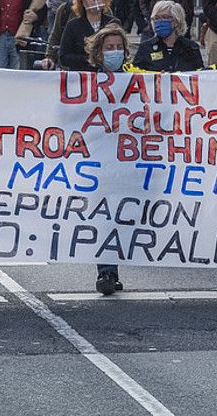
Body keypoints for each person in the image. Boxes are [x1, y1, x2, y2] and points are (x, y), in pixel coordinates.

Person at [86, 23, 132, 295]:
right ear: (99, 54)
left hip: (133, 163)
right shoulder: (85, 84)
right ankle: (106, 272)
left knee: (127, 217)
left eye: (119, 48)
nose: (114, 52)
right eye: (109, 48)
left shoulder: (139, 80)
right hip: (99, 163)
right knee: (106, 216)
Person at [52, 0, 117, 71]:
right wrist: (90, 59)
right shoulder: (73, 26)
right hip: (81, 78)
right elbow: (64, 57)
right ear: (82, 1)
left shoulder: (113, 23)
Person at [134, 0, 204, 72]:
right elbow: (135, 74)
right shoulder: (145, 48)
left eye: (165, 17)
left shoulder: (191, 47)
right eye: (157, 18)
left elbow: (201, 75)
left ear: (176, 21)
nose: (160, 21)